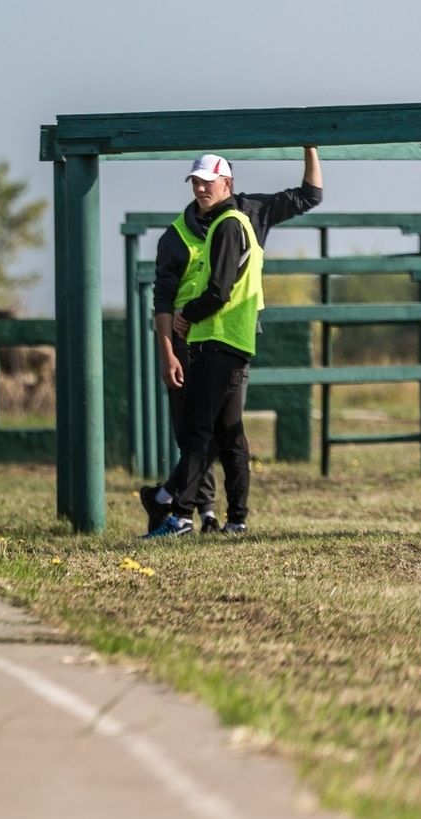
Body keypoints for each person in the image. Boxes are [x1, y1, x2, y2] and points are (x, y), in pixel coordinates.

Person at [141, 149, 323, 538]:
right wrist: (168, 350)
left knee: (204, 431)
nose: (201, 187)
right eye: (196, 181)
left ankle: (178, 509)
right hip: (191, 339)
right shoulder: (176, 235)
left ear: (228, 182)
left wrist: (311, 147)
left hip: (215, 333)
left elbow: (310, 195)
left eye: (208, 180)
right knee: (208, 430)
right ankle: (213, 515)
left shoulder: (241, 218)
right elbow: (163, 297)